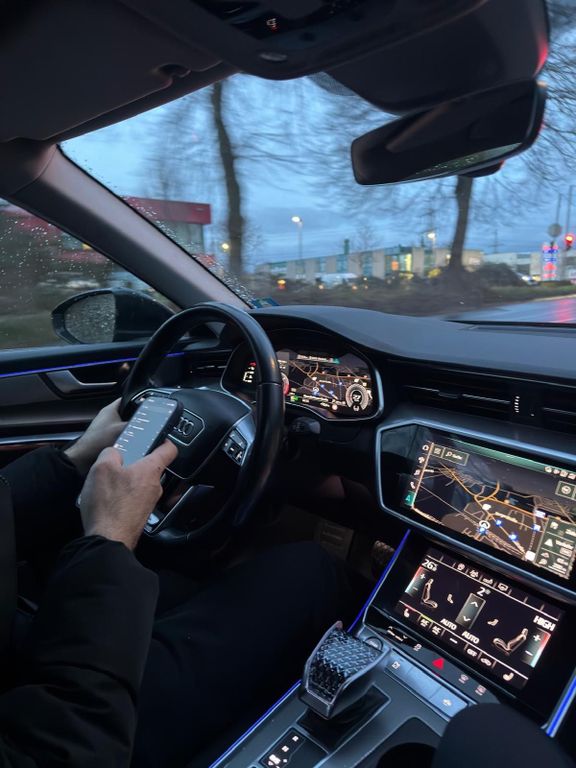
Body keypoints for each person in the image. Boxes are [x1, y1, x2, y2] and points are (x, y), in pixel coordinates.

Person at [0, 400, 353, 768]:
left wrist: (72, 461)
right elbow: (64, 749)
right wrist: (110, 536)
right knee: (309, 573)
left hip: (23, 655)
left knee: (173, 585)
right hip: (71, 720)